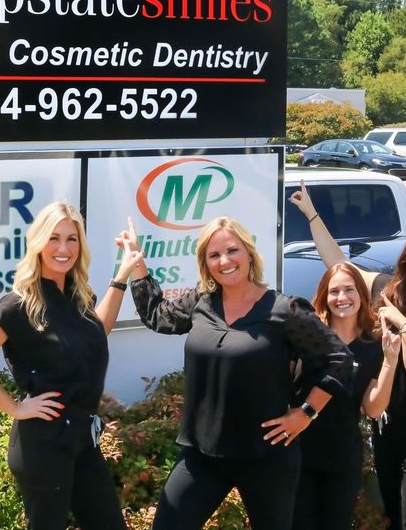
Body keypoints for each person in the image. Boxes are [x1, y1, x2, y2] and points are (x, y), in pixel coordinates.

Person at [122, 215, 353, 530]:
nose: (224, 261)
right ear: (206, 263)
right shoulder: (200, 302)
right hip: (202, 456)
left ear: (249, 253)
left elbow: (338, 358)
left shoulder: (285, 311)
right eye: (214, 255)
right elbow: (158, 316)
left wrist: (306, 413)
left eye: (232, 250)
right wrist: (137, 261)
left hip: (267, 457)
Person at [289, 181, 406, 530]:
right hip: (386, 429)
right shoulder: (389, 291)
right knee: (390, 517)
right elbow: (339, 265)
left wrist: (404, 326)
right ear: (404, 262)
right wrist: (311, 213)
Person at [0, 202, 139, 530]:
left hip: (82, 440)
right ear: (38, 243)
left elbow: (98, 332)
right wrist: (15, 408)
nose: (63, 248)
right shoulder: (20, 304)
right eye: (54, 238)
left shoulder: (77, 295)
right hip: (44, 446)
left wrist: (121, 277)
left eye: (71, 239)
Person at [292, 262, 401, 530]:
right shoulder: (307, 336)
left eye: (349, 290)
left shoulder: (373, 345)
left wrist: (390, 360)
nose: (342, 298)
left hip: (342, 457)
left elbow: (374, 409)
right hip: (297, 453)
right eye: (334, 291)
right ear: (324, 297)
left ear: (361, 295)